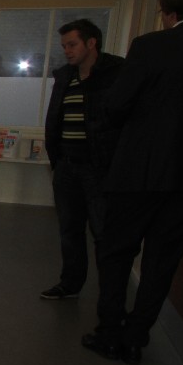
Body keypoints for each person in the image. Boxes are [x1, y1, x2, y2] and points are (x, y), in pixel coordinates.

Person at [84, 0, 183, 364]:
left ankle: (109, 332)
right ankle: (136, 337)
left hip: (139, 171)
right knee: (163, 262)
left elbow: (117, 106)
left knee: (116, 252)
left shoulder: (150, 46)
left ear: (170, 13)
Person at [39, 19, 124, 299]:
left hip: (98, 167)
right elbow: (55, 119)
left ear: (91, 43)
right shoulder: (65, 77)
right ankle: (70, 284)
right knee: (69, 230)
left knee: (103, 232)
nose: (67, 50)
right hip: (67, 164)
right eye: (64, 46)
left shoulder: (115, 74)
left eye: (72, 44)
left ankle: (110, 294)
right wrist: (57, 160)